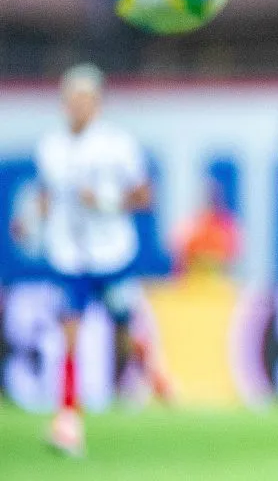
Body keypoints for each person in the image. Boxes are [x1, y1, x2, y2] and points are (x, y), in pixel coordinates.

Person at [34, 63, 168, 455]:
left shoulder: (117, 145)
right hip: (69, 255)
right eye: (71, 98)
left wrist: (106, 201)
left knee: (121, 331)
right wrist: (31, 219)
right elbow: (47, 195)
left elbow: (146, 197)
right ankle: (68, 418)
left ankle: (148, 370)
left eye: (84, 98)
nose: (77, 106)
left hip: (112, 253)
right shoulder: (51, 148)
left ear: (97, 102)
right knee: (70, 333)